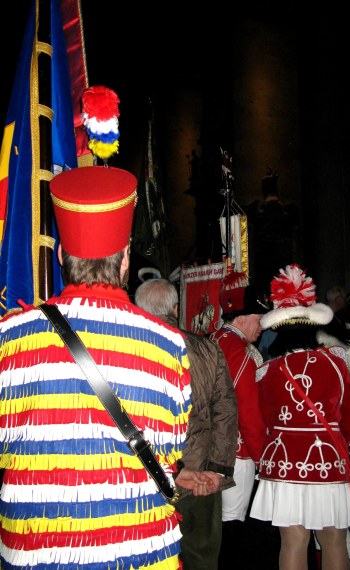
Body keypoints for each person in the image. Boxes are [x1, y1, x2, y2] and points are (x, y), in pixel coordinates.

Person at [0, 166, 214, 570]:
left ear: (62, 255)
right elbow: (171, 446)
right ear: (125, 260)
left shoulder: (9, 336)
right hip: (140, 554)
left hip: (34, 555)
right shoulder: (170, 344)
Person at [249, 264, 350, 570]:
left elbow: (260, 421)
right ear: (314, 327)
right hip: (328, 458)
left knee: (293, 542)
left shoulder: (267, 372)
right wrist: (344, 447)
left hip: (285, 464)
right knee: (334, 540)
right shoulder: (337, 364)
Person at [134, 277, 239, 570]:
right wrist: (217, 470)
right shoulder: (207, 349)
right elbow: (226, 412)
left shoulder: (129, 352)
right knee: (201, 557)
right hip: (202, 477)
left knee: (148, 557)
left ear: (137, 308)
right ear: (177, 307)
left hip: (150, 479)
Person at [209, 270, 268, 569]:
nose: (262, 326)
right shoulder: (240, 352)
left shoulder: (211, 340)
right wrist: (263, 456)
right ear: (242, 319)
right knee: (232, 525)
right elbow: (248, 410)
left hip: (207, 449)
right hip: (237, 452)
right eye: (258, 318)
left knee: (214, 526)